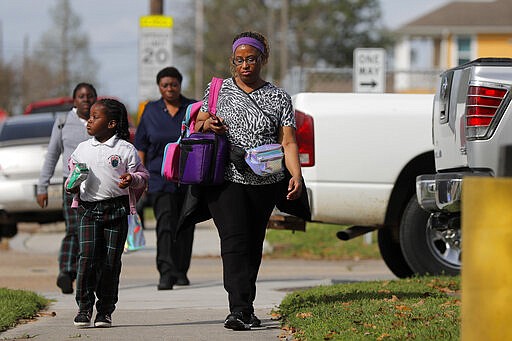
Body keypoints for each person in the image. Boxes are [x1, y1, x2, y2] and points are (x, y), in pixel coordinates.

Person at [194, 31, 303, 330]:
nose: (245, 65)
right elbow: (198, 123)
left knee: (253, 243)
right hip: (226, 178)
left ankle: (247, 306)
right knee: (234, 241)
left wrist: (297, 175)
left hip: (265, 181)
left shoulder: (279, 97)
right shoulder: (218, 90)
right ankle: (238, 310)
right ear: (233, 61)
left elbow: (288, 142)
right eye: (239, 60)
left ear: (262, 60)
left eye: (251, 59)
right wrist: (210, 123)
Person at [67, 98, 148, 328]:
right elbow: (71, 178)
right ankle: (84, 308)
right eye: (89, 117)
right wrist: (71, 185)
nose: (89, 121)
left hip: (116, 210)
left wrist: (132, 179)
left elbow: (143, 176)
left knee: (111, 262)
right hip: (88, 210)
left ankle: (105, 311)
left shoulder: (125, 149)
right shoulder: (83, 149)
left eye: (95, 117)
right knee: (87, 259)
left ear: (111, 123)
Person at [134, 66, 197, 290]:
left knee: (186, 224)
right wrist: (138, 176)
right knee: (166, 225)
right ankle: (166, 272)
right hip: (159, 178)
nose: (170, 88)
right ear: (159, 87)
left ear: (180, 85)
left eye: (174, 84)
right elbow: (141, 145)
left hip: (189, 178)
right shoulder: (150, 111)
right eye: (165, 85)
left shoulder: (192, 108)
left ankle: (181, 271)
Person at [36, 83, 98, 294]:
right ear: (74, 100)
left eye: (90, 96)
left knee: (90, 231)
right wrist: (42, 186)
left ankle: (84, 273)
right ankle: (66, 271)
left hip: (97, 186)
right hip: (72, 186)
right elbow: (52, 155)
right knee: (72, 229)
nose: (86, 99)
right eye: (81, 96)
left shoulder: (100, 120)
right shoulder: (63, 122)